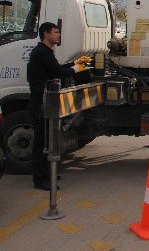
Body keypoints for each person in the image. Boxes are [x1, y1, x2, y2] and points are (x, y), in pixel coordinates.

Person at [27, 22, 89, 191]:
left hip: (45, 102)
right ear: (46, 34)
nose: (58, 35)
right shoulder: (41, 52)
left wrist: (75, 62)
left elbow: (57, 68)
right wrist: (77, 68)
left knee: (48, 141)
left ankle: (48, 174)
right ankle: (40, 180)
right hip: (40, 103)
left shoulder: (46, 52)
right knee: (41, 143)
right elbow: (58, 73)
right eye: (55, 32)